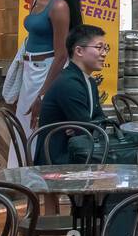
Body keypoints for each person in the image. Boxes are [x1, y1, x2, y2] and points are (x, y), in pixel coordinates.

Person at [6, 0, 81, 165]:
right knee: (23, 129)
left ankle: (38, 184)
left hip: (46, 71)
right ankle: (24, 183)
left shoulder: (58, 6)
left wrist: (43, 95)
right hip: (29, 70)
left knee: (37, 129)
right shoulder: (37, 0)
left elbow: (61, 55)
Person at [35, 24, 109, 161]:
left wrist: (86, 125)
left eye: (105, 48)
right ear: (79, 51)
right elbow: (86, 127)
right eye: (99, 48)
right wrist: (86, 126)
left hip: (79, 151)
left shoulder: (89, 81)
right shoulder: (69, 83)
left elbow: (98, 120)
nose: (104, 53)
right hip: (57, 159)